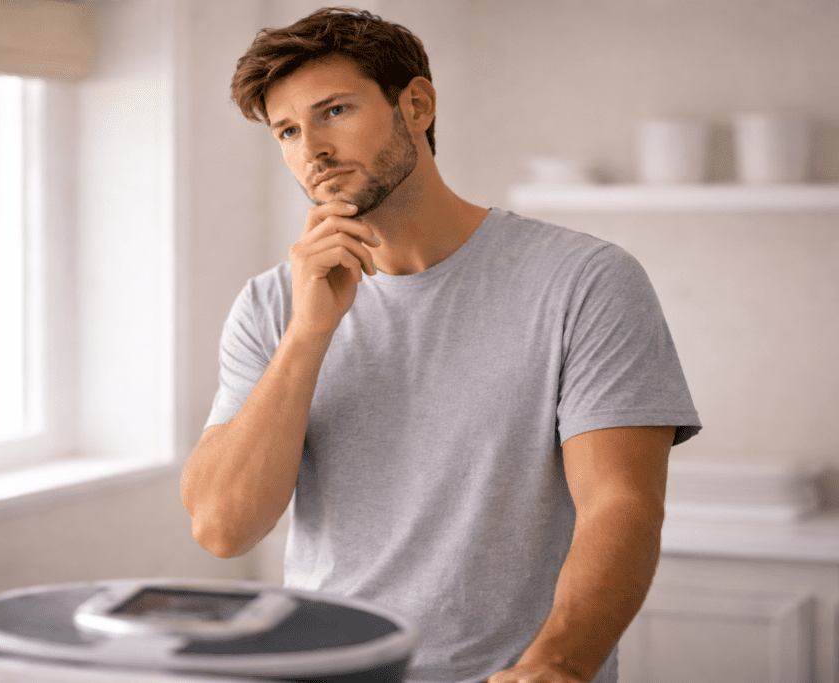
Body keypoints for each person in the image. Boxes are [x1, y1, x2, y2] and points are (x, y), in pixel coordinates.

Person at [180, 7, 701, 683]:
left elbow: (621, 505)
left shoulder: (584, 281)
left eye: (334, 111)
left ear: (417, 105)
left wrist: (557, 664)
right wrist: (309, 333)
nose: (312, 149)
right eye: (288, 130)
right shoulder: (271, 305)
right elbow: (223, 528)